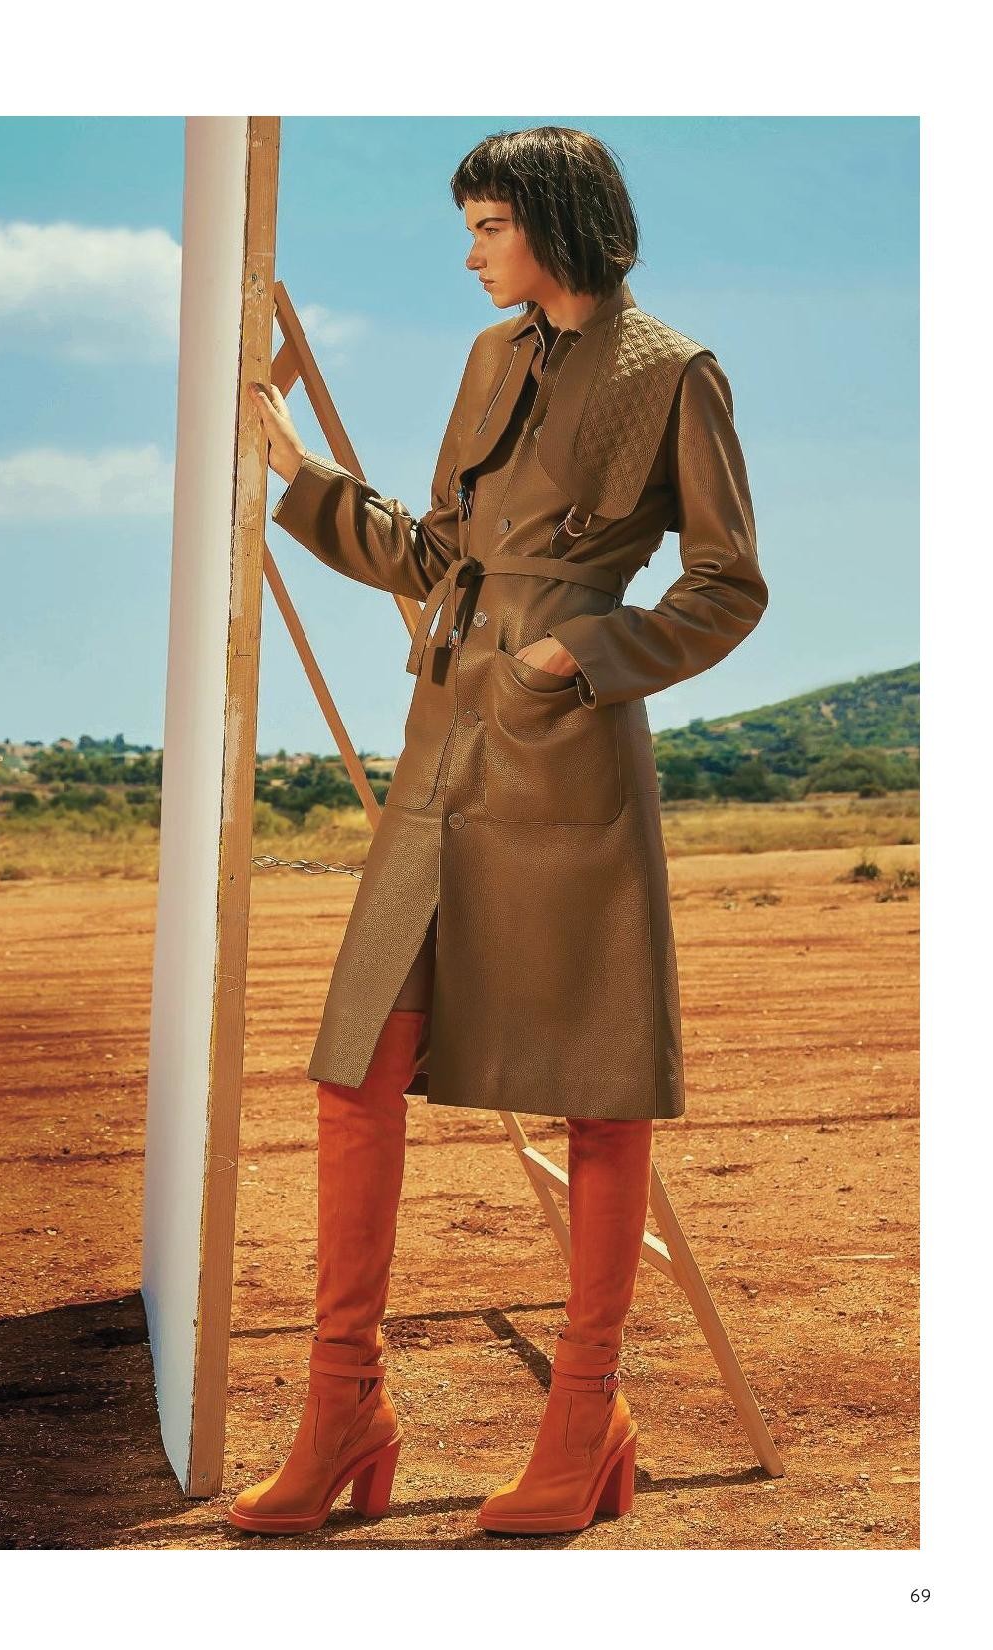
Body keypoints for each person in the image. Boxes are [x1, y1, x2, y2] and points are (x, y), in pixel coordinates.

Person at [229, 126, 767, 1538]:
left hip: (566, 756)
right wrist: (297, 475)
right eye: (469, 227)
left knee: (598, 1087)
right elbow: (437, 557)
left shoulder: (676, 374)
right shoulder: (488, 361)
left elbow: (729, 584)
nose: (470, 253)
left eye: (487, 226)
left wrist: (583, 653)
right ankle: (345, 1405)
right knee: (355, 1069)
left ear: (555, 221)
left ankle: (585, 1418)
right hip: (442, 747)